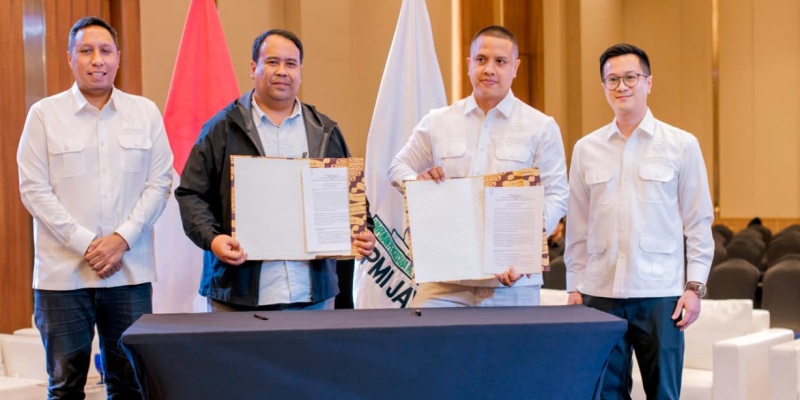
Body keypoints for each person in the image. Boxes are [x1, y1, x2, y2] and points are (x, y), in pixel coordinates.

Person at [16, 16, 173, 399]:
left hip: (129, 273)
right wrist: (88, 244)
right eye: (85, 51)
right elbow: (34, 189)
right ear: (70, 58)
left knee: (131, 384)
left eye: (105, 51)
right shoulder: (45, 115)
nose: (96, 60)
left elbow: (160, 183)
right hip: (62, 278)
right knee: (65, 386)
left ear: (118, 57)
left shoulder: (145, 113)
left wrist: (121, 240)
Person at [175, 29, 375, 312]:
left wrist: (364, 231)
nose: (282, 71)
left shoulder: (325, 131)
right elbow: (191, 194)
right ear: (253, 68)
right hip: (238, 294)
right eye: (272, 62)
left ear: (300, 72)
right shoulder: (221, 128)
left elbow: (350, 197)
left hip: (312, 297)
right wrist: (213, 239)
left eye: (290, 64)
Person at [564, 43, 714, 399]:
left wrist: (694, 288)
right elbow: (578, 226)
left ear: (648, 82)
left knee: (663, 393)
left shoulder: (681, 145)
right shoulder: (586, 148)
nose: (622, 86)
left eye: (630, 77)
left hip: (659, 295)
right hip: (599, 294)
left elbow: (698, 222)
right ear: (604, 86)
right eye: (612, 79)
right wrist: (574, 286)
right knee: (604, 393)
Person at [388, 25, 568, 307]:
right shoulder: (438, 121)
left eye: (500, 61)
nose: (489, 69)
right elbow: (398, 167)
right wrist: (416, 183)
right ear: (469, 64)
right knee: (421, 335)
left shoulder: (540, 127)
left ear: (515, 67)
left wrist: (524, 245)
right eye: (481, 59)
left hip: (513, 280)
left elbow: (557, 196)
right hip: (445, 279)